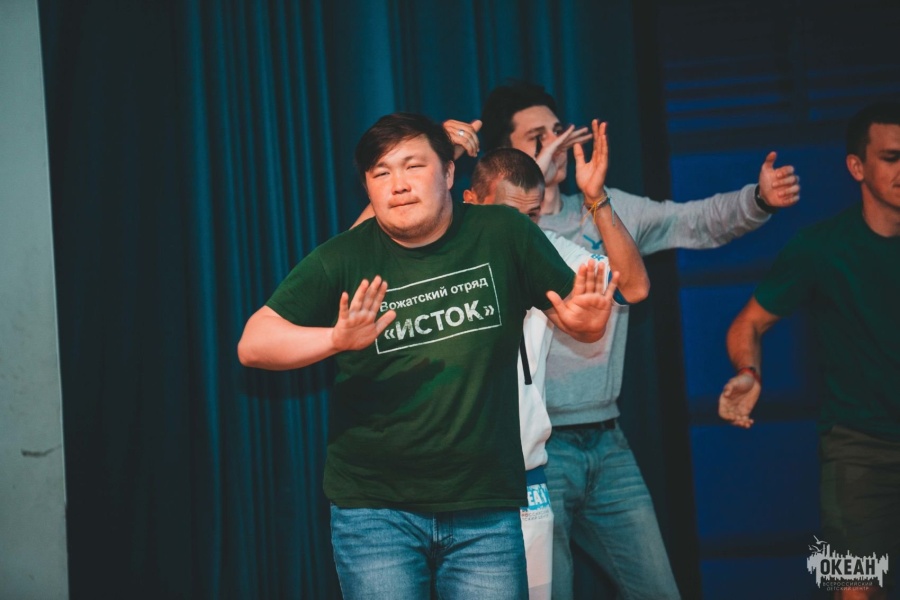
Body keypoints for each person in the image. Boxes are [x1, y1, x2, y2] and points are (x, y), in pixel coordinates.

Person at [237, 112, 620, 599]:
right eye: (381, 173)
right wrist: (335, 339)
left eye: (413, 167)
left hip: (485, 507)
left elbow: (578, 320)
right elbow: (254, 343)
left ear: (449, 173)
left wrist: (589, 321)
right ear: (367, 187)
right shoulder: (345, 256)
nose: (398, 184)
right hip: (376, 512)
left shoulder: (503, 231)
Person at [479, 81, 802, 599]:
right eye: (536, 137)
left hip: (608, 441)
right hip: (539, 451)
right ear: (505, 151)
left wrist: (758, 199)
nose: (556, 143)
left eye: (558, 130)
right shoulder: (499, 228)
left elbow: (691, 222)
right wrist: (528, 180)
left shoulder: (606, 205)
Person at [719, 101, 900, 600]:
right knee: (854, 589)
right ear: (857, 167)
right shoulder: (821, 248)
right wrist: (749, 373)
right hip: (859, 450)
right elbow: (748, 323)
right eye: (891, 157)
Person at [464, 145, 649, 599]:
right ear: (471, 201)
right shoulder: (437, 251)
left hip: (525, 472)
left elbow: (634, 286)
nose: (522, 229)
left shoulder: (546, 250)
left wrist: (596, 198)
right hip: (453, 479)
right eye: (509, 215)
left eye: (532, 216)